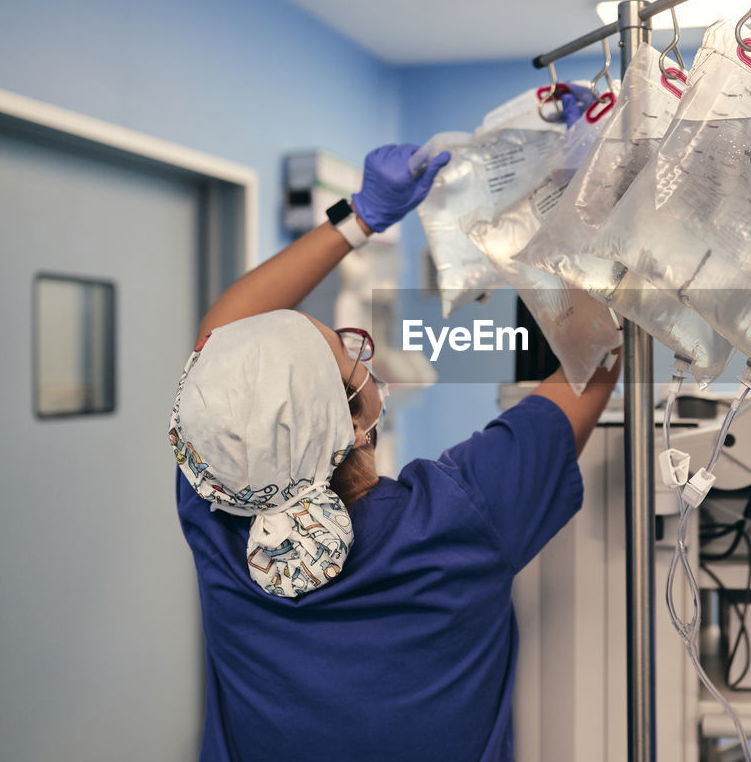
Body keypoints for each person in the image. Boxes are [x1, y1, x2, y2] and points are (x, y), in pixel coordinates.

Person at [171, 122, 620, 761]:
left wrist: (362, 217)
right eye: (352, 356)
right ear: (359, 420)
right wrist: (580, 198)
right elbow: (598, 353)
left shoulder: (217, 506)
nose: (363, 354)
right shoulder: (464, 511)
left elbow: (222, 344)